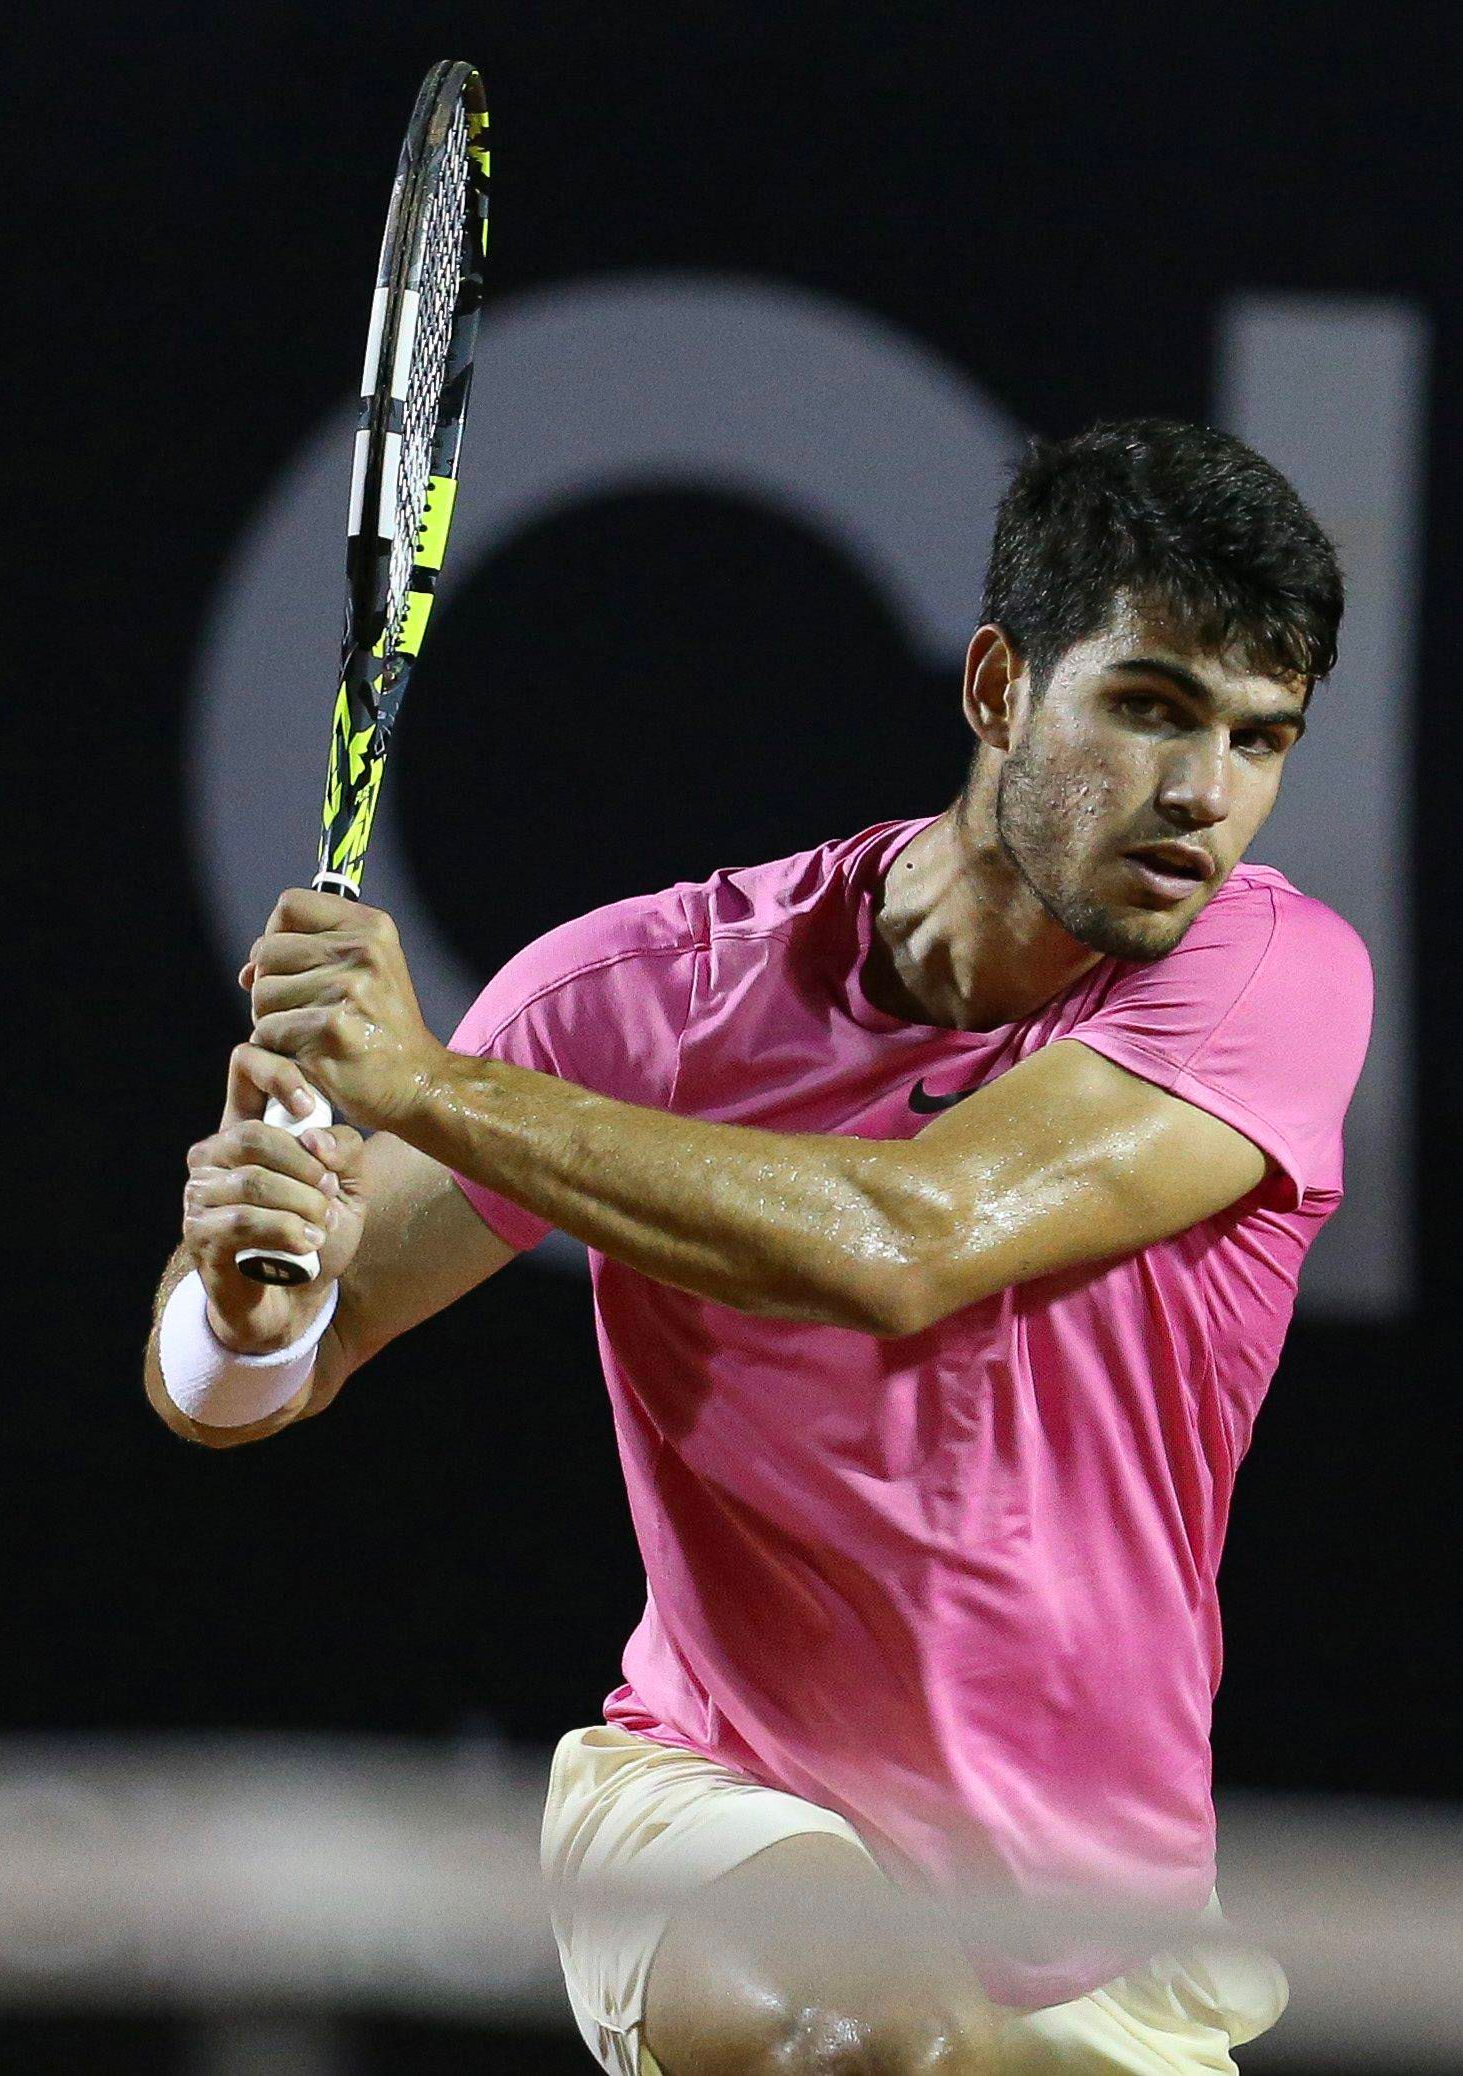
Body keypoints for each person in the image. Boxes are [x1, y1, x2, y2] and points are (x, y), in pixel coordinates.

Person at [142, 420, 1369, 2075]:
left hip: (1098, 1936)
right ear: (998, 689)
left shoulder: (1264, 980)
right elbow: (249, 1384)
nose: (1199, 797)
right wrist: (243, 1295)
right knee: (862, 2035)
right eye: (1147, 708)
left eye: (1255, 738)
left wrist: (426, 1090)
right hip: (724, 1805)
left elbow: (906, 1238)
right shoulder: (626, 1000)